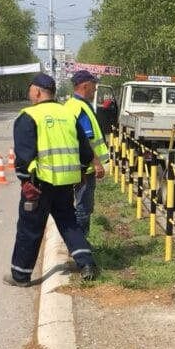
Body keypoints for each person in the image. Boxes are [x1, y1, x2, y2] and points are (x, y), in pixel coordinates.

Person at [6, 74, 100, 286]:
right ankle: (86, 263)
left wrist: (25, 180)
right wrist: (83, 172)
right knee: (69, 222)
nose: (30, 94)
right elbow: (85, 150)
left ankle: (20, 275)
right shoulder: (67, 115)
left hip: (38, 184)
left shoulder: (28, 116)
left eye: (31, 90)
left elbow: (24, 154)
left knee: (30, 228)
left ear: (37, 91)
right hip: (66, 183)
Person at [65, 70, 109, 237]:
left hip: (75, 166)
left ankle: (78, 245)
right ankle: (82, 246)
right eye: (93, 85)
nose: (95, 89)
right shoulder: (80, 108)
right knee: (83, 208)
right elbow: (87, 139)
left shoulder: (71, 105)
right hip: (86, 168)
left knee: (78, 206)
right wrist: (96, 163)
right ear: (84, 85)